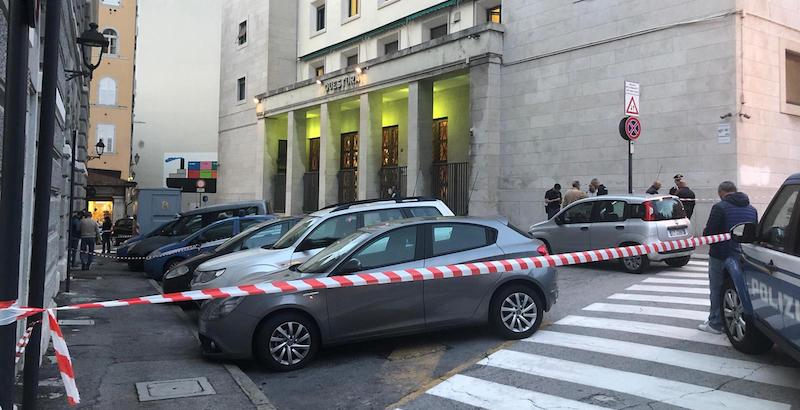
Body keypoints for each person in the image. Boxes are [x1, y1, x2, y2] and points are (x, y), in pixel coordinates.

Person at [698, 181, 758, 334]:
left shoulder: (720, 207)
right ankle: (729, 320)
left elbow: (710, 233)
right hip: (741, 256)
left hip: (720, 255)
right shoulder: (752, 209)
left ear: (722, 193)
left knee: (717, 289)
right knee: (733, 292)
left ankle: (716, 323)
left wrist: (706, 233)